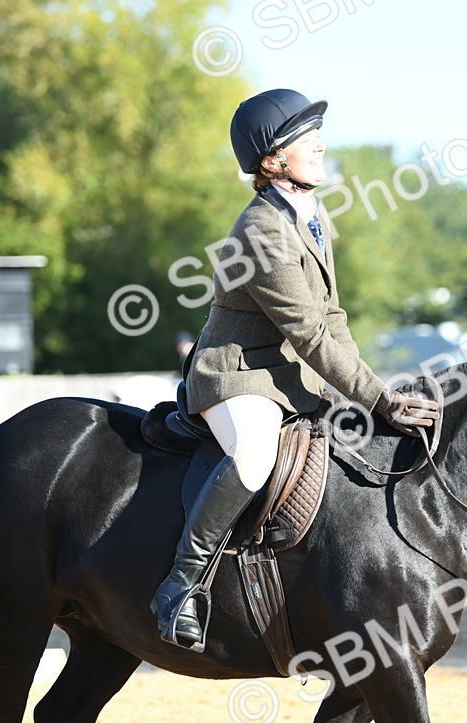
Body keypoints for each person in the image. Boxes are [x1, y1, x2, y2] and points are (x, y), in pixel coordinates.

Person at [151, 88, 440, 651]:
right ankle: (181, 585)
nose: (321, 145)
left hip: (287, 377)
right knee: (255, 458)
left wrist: (373, 389)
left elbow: (332, 316)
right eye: (308, 140)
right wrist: (378, 399)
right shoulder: (262, 228)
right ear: (272, 160)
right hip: (237, 377)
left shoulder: (309, 214)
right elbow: (306, 332)